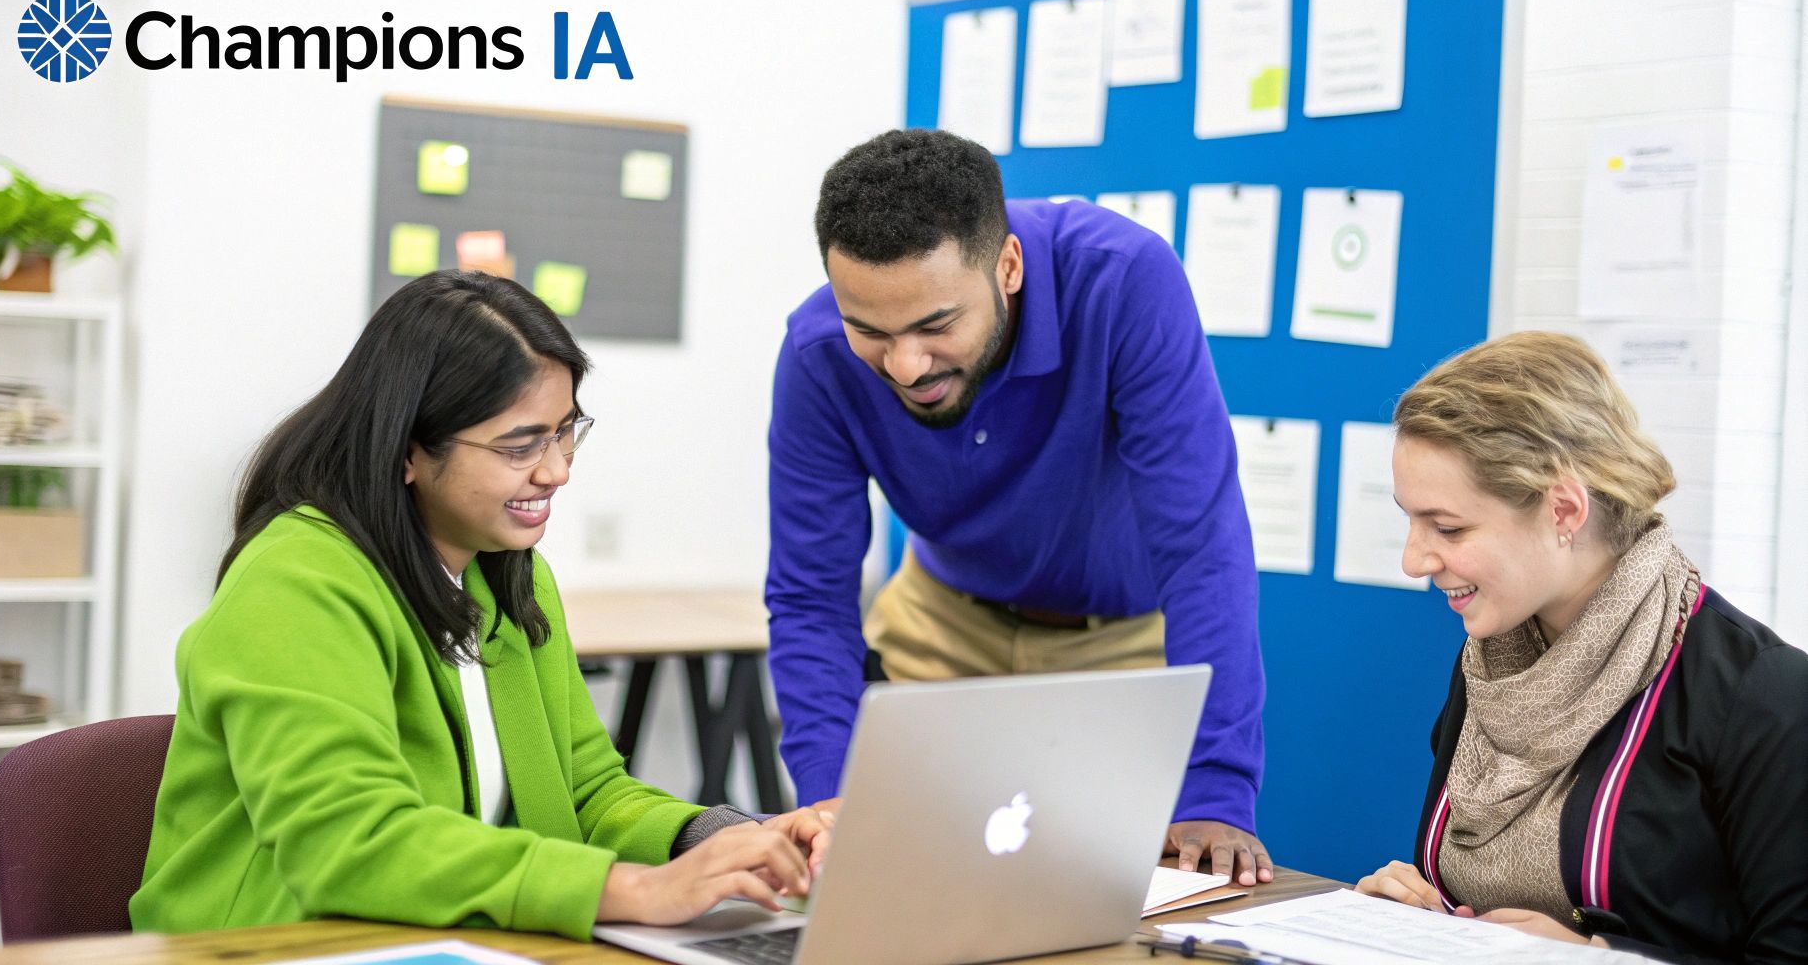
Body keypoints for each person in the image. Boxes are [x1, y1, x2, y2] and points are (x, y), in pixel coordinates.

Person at [131, 271, 831, 938]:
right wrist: (632, 891)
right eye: (521, 444)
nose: (557, 470)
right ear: (406, 451)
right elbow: (348, 843)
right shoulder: (296, 581)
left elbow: (586, 793)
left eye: (565, 432)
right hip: (273, 945)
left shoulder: (509, 577)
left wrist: (732, 839)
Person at [766, 129, 1269, 882]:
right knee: (908, 887)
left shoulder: (1123, 279)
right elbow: (810, 597)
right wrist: (831, 801)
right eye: (870, 331)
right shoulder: (815, 353)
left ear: (1007, 267)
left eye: (936, 326)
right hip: (941, 621)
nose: (905, 366)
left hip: (1117, 639)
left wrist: (1217, 790)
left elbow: (1202, 547)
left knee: (1104, 898)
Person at [1355, 331, 1808, 960]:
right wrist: (1411, 910)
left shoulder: (1763, 696)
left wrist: (1597, 956)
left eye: (1448, 527)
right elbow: (1466, 906)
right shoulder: (1493, 663)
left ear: (1564, 510)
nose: (1413, 560)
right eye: (1410, 518)